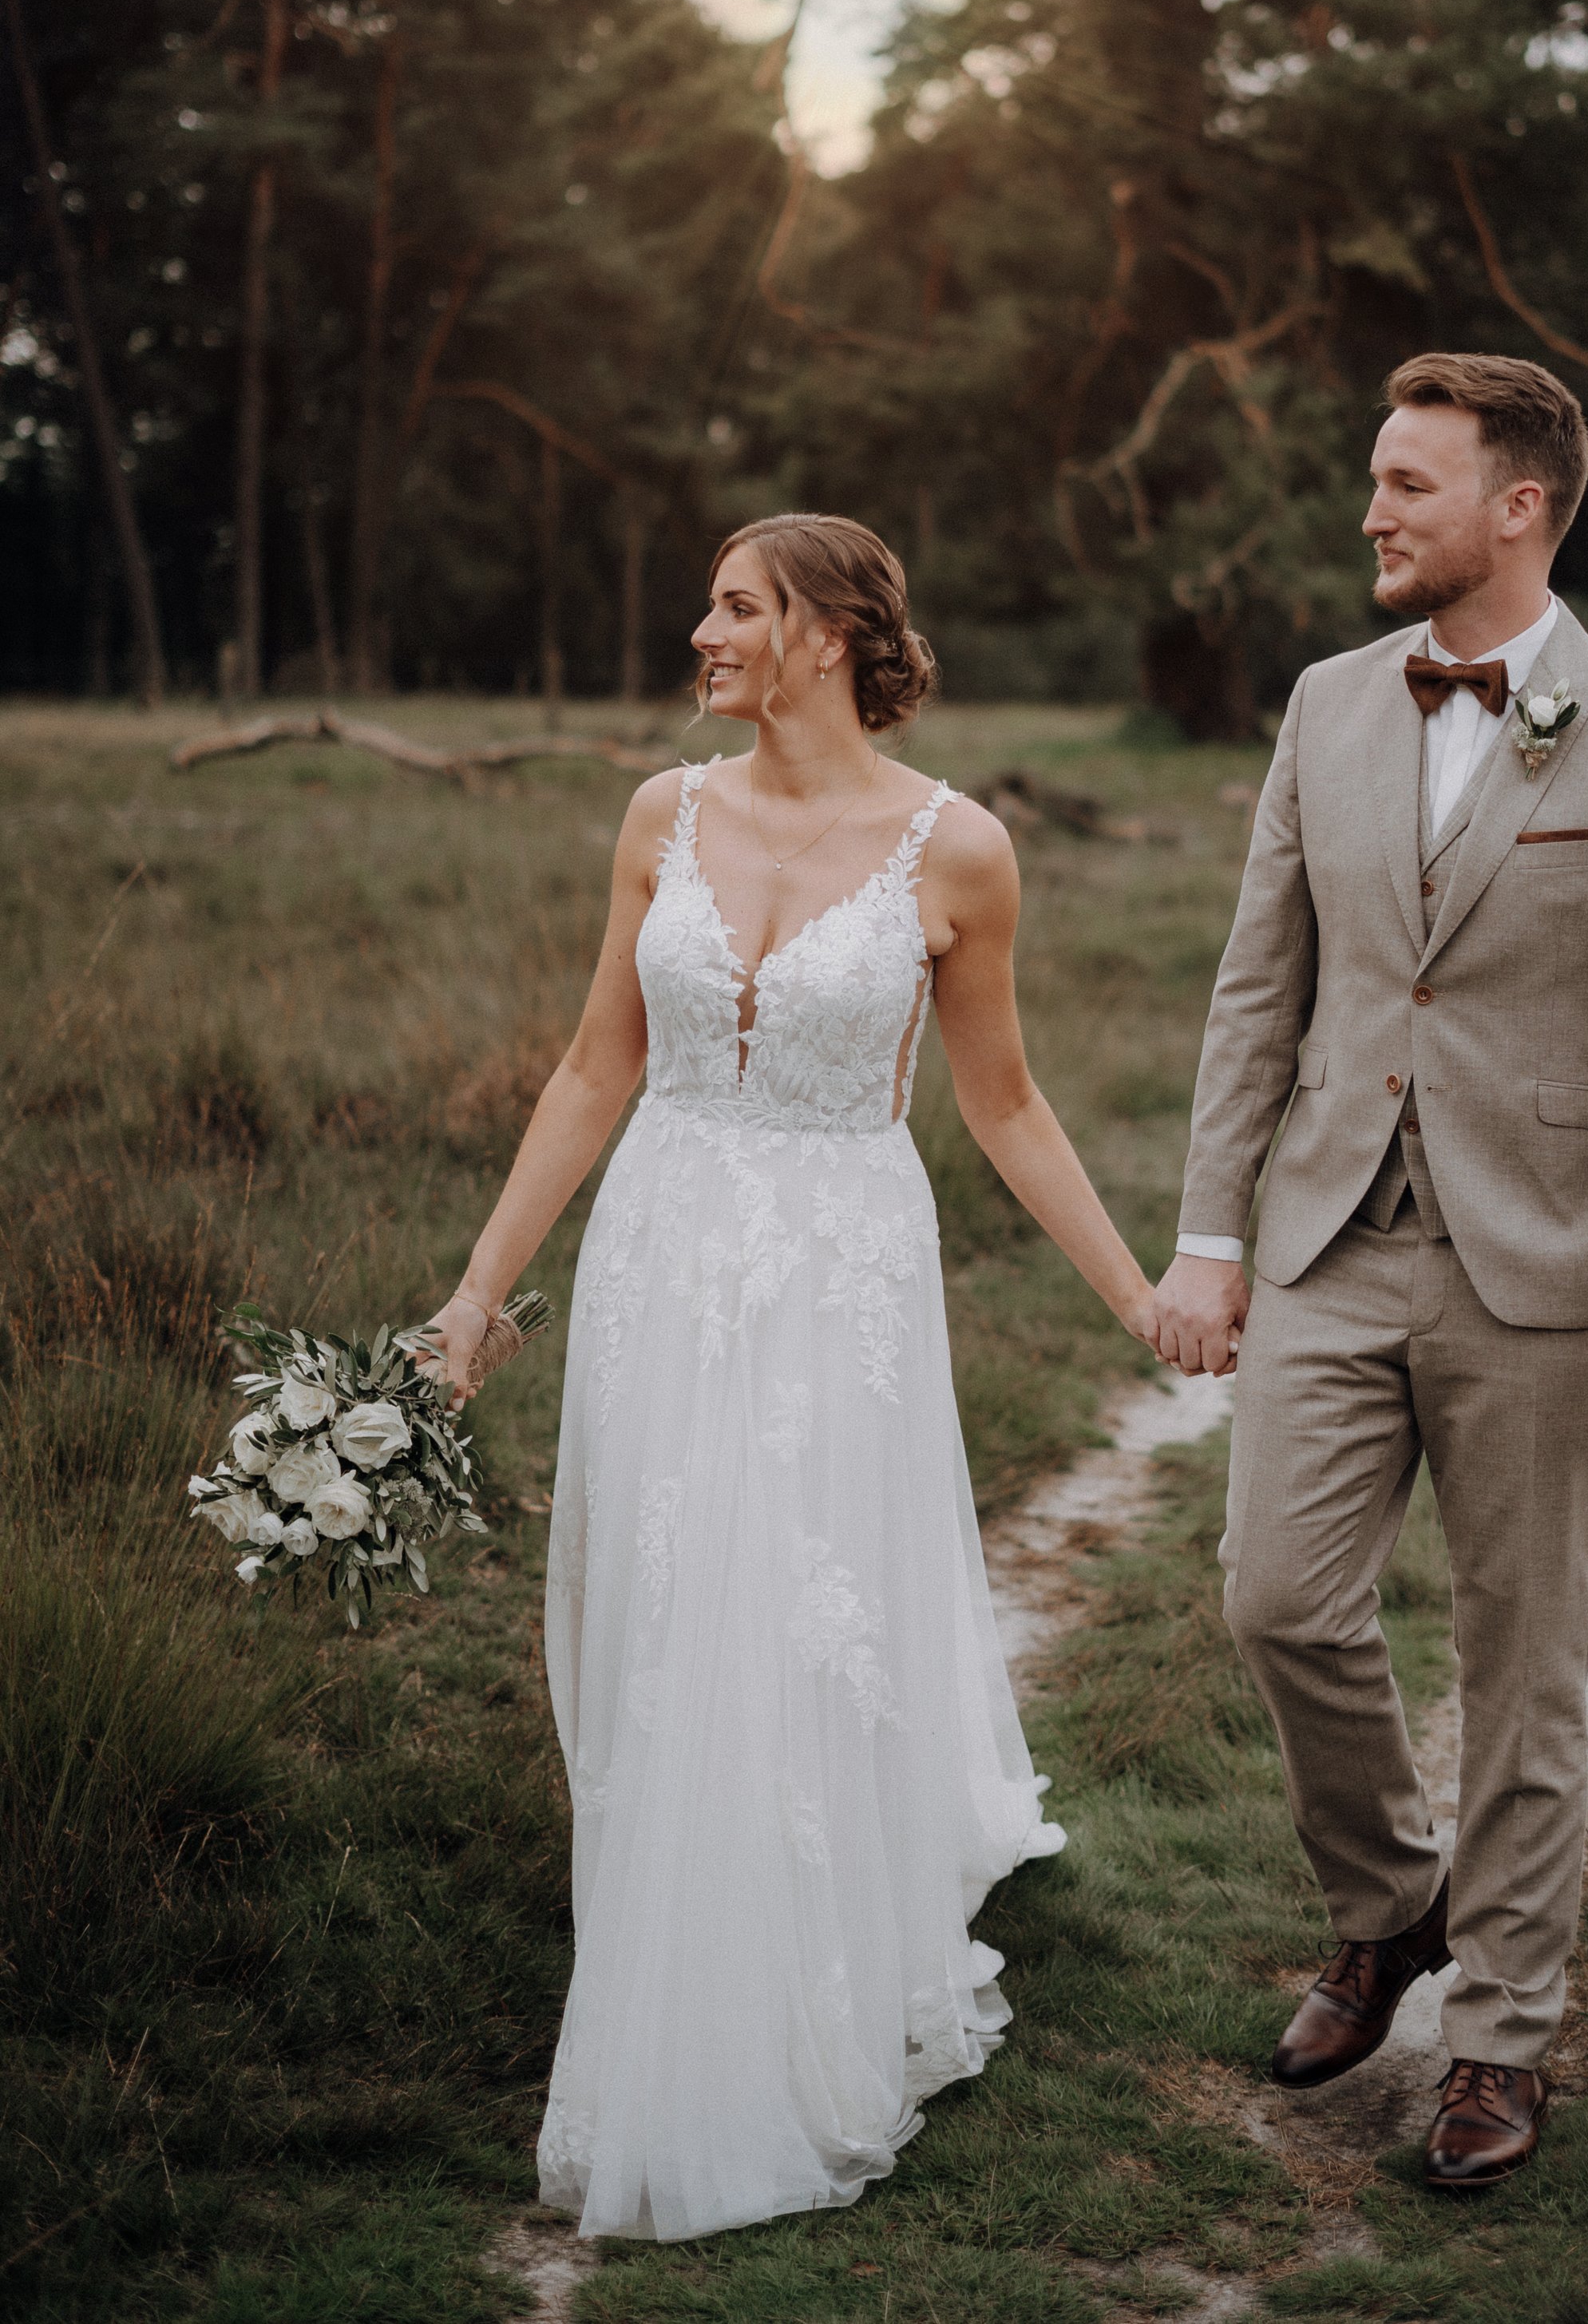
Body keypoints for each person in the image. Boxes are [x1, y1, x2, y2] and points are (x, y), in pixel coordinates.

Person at [414, 513, 1155, 2242]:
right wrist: (474, 1292)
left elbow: (1003, 1104)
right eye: (711, 604)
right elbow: (593, 1069)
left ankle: (792, 1985)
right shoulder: (659, 816)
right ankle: (667, 1951)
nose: (705, 631)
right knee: (671, 1610)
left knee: (798, 1614)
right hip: (661, 1254)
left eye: (736, 606)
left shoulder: (959, 851)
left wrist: (1137, 1298)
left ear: (827, 634)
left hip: (841, 1276)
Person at [1148, 354, 1588, 2191]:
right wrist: (1207, 1234)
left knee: (1522, 1663)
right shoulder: (1324, 703)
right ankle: (1390, 1905)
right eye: (1375, 478)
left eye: (1405, 483)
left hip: (1551, 1264)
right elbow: (1260, 983)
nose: (1370, 512)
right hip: (1331, 1239)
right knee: (1276, 1599)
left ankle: (1498, 2031)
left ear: (1517, 505)